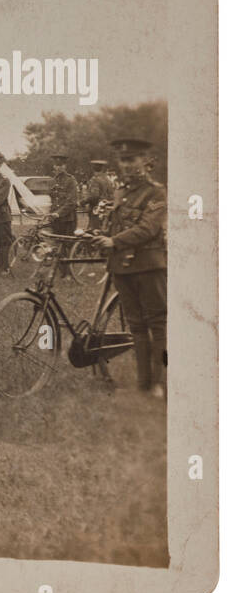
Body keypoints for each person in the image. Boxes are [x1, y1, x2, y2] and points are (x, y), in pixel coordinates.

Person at [98, 138, 166, 398]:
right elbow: (117, 226)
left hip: (149, 266)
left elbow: (148, 228)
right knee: (136, 326)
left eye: (132, 159)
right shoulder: (121, 192)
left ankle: (157, 384)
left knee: (157, 324)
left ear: (144, 161)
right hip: (123, 268)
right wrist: (102, 235)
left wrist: (114, 241)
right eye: (123, 160)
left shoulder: (156, 192)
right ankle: (143, 384)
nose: (127, 165)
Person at [48, 153, 79, 276]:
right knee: (57, 245)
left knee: (67, 246)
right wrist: (52, 214)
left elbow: (71, 202)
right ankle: (61, 271)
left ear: (65, 166)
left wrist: (58, 213)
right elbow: (53, 199)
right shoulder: (53, 180)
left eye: (60, 165)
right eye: (56, 165)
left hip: (67, 219)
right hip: (56, 218)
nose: (58, 167)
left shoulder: (70, 180)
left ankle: (70, 273)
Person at [84, 159, 115, 231]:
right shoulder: (107, 179)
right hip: (106, 209)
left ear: (93, 168)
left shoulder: (95, 179)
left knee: (94, 230)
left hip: (96, 209)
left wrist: (82, 202)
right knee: (103, 229)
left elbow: (94, 196)